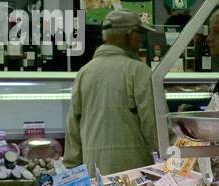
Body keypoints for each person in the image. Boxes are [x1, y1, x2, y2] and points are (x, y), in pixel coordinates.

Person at [63, 10, 161, 175]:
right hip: (132, 176)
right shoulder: (139, 71)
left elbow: (73, 126)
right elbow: (155, 126)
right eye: (140, 33)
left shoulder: (85, 72)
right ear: (129, 35)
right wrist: (176, 156)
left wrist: (72, 168)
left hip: (92, 172)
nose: (143, 40)